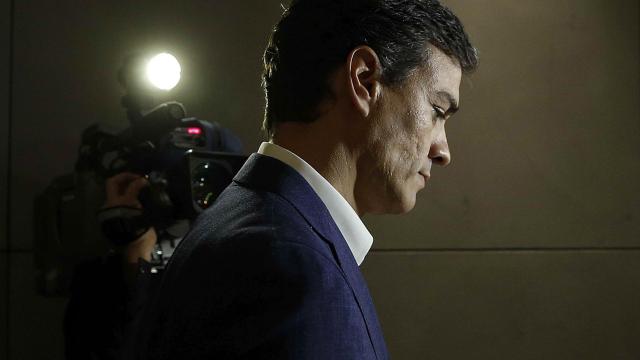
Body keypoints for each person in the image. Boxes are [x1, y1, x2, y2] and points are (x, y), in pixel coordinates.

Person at [132, 0, 478, 359]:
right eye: (437, 111)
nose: (443, 151)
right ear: (364, 81)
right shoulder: (294, 266)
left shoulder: (240, 225)